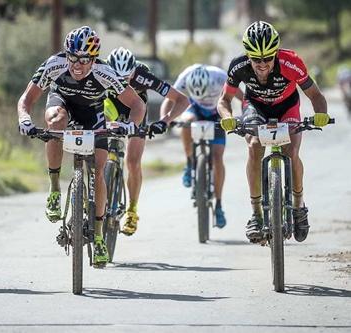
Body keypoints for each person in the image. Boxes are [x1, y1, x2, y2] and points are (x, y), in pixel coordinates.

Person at [17, 27, 145, 266]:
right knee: (55, 123)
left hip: (92, 113)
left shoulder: (104, 72)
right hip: (61, 103)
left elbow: (137, 104)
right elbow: (27, 98)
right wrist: (24, 118)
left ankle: (98, 238)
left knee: (98, 170)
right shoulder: (54, 65)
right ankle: (55, 189)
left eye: (84, 59)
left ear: (93, 59)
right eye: (72, 57)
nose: (77, 64)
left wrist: (130, 125)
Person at [217, 21, 330, 243]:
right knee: (254, 146)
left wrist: (321, 114)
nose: (262, 64)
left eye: (268, 58)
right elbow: (224, 100)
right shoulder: (238, 66)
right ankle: (257, 214)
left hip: (287, 106)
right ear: (247, 55)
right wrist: (228, 118)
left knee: (291, 151)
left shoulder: (291, 62)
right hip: (255, 106)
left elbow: (316, 96)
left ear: (276, 54)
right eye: (256, 59)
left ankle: (298, 207)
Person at [104, 47, 189, 236]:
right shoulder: (101, 71)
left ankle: (132, 211)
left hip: (136, 109)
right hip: (109, 106)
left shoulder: (144, 76)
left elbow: (182, 101)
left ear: (134, 71)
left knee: (133, 162)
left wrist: (164, 122)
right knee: (97, 147)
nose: (123, 83)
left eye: (127, 78)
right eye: (118, 79)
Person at [161, 64, 243, 228]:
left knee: (217, 157)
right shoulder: (186, 74)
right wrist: (164, 120)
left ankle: (218, 205)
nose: (203, 96)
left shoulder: (220, 76)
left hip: (217, 111)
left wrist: (245, 117)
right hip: (195, 109)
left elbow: (243, 97)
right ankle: (190, 161)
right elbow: (169, 100)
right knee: (185, 123)